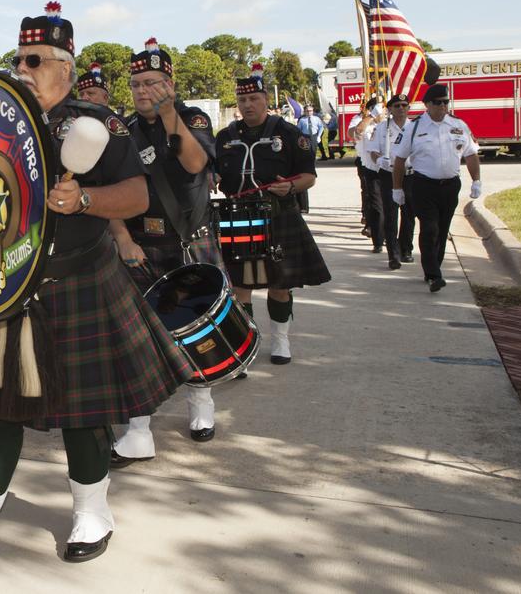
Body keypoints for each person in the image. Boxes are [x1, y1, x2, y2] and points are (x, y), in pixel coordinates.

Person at [0, 3, 190, 574]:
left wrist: (84, 199)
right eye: (16, 58)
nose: (21, 67)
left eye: (33, 60)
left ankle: (94, 513)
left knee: (84, 412)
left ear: (64, 67)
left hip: (80, 279)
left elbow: (138, 196)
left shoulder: (95, 123)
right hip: (8, 286)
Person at [108, 37, 221, 465]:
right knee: (139, 338)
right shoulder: (121, 131)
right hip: (141, 245)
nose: (143, 91)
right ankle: (139, 430)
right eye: (136, 83)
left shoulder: (193, 117)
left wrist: (171, 113)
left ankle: (201, 405)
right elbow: (109, 190)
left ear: (170, 83)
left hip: (190, 240)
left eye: (152, 82)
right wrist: (121, 236)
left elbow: (194, 164)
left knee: (196, 328)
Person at [214, 70, 331, 365]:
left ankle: (281, 339)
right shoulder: (225, 138)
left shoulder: (290, 134)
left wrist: (290, 186)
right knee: (241, 286)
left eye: (254, 98)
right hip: (239, 219)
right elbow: (212, 172)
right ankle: (246, 346)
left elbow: (309, 177)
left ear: (266, 99)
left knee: (280, 284)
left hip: (279, 217)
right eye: (242, 99)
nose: (247, 104)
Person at [391, 84, 482, 292]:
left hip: (450, 186)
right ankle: (433, 274)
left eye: (445, 102)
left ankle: (434, 267)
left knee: (442, 230)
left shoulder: (458, 125)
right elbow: (399, 160)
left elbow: (470, 154)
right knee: (429, 228)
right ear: (427, 105)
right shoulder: (414, 128)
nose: (442, 106)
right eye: (437, 102)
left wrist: (476, 180)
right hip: (423, 185)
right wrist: (397, 189)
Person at [365, 94, 416, 270]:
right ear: (390, 109)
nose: (401, 108)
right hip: (389, 174)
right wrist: (379, 160)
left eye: (404, 105)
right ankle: (393, 255)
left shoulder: (415, 127)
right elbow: (372, 150)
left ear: (409, 107)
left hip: (410, 175)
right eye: (397, 106)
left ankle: (406, 249)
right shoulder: (382, 128)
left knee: (409, 214)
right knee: (391, 215)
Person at [349, 96, 384, 245]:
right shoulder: (360, 119)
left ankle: (384, 231)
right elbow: (355, 132)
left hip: (386, 166)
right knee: (370, 197)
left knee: (386, 201)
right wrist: (371, 117)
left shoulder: (387, 120)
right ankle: (371, 226)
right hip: (366, 164)